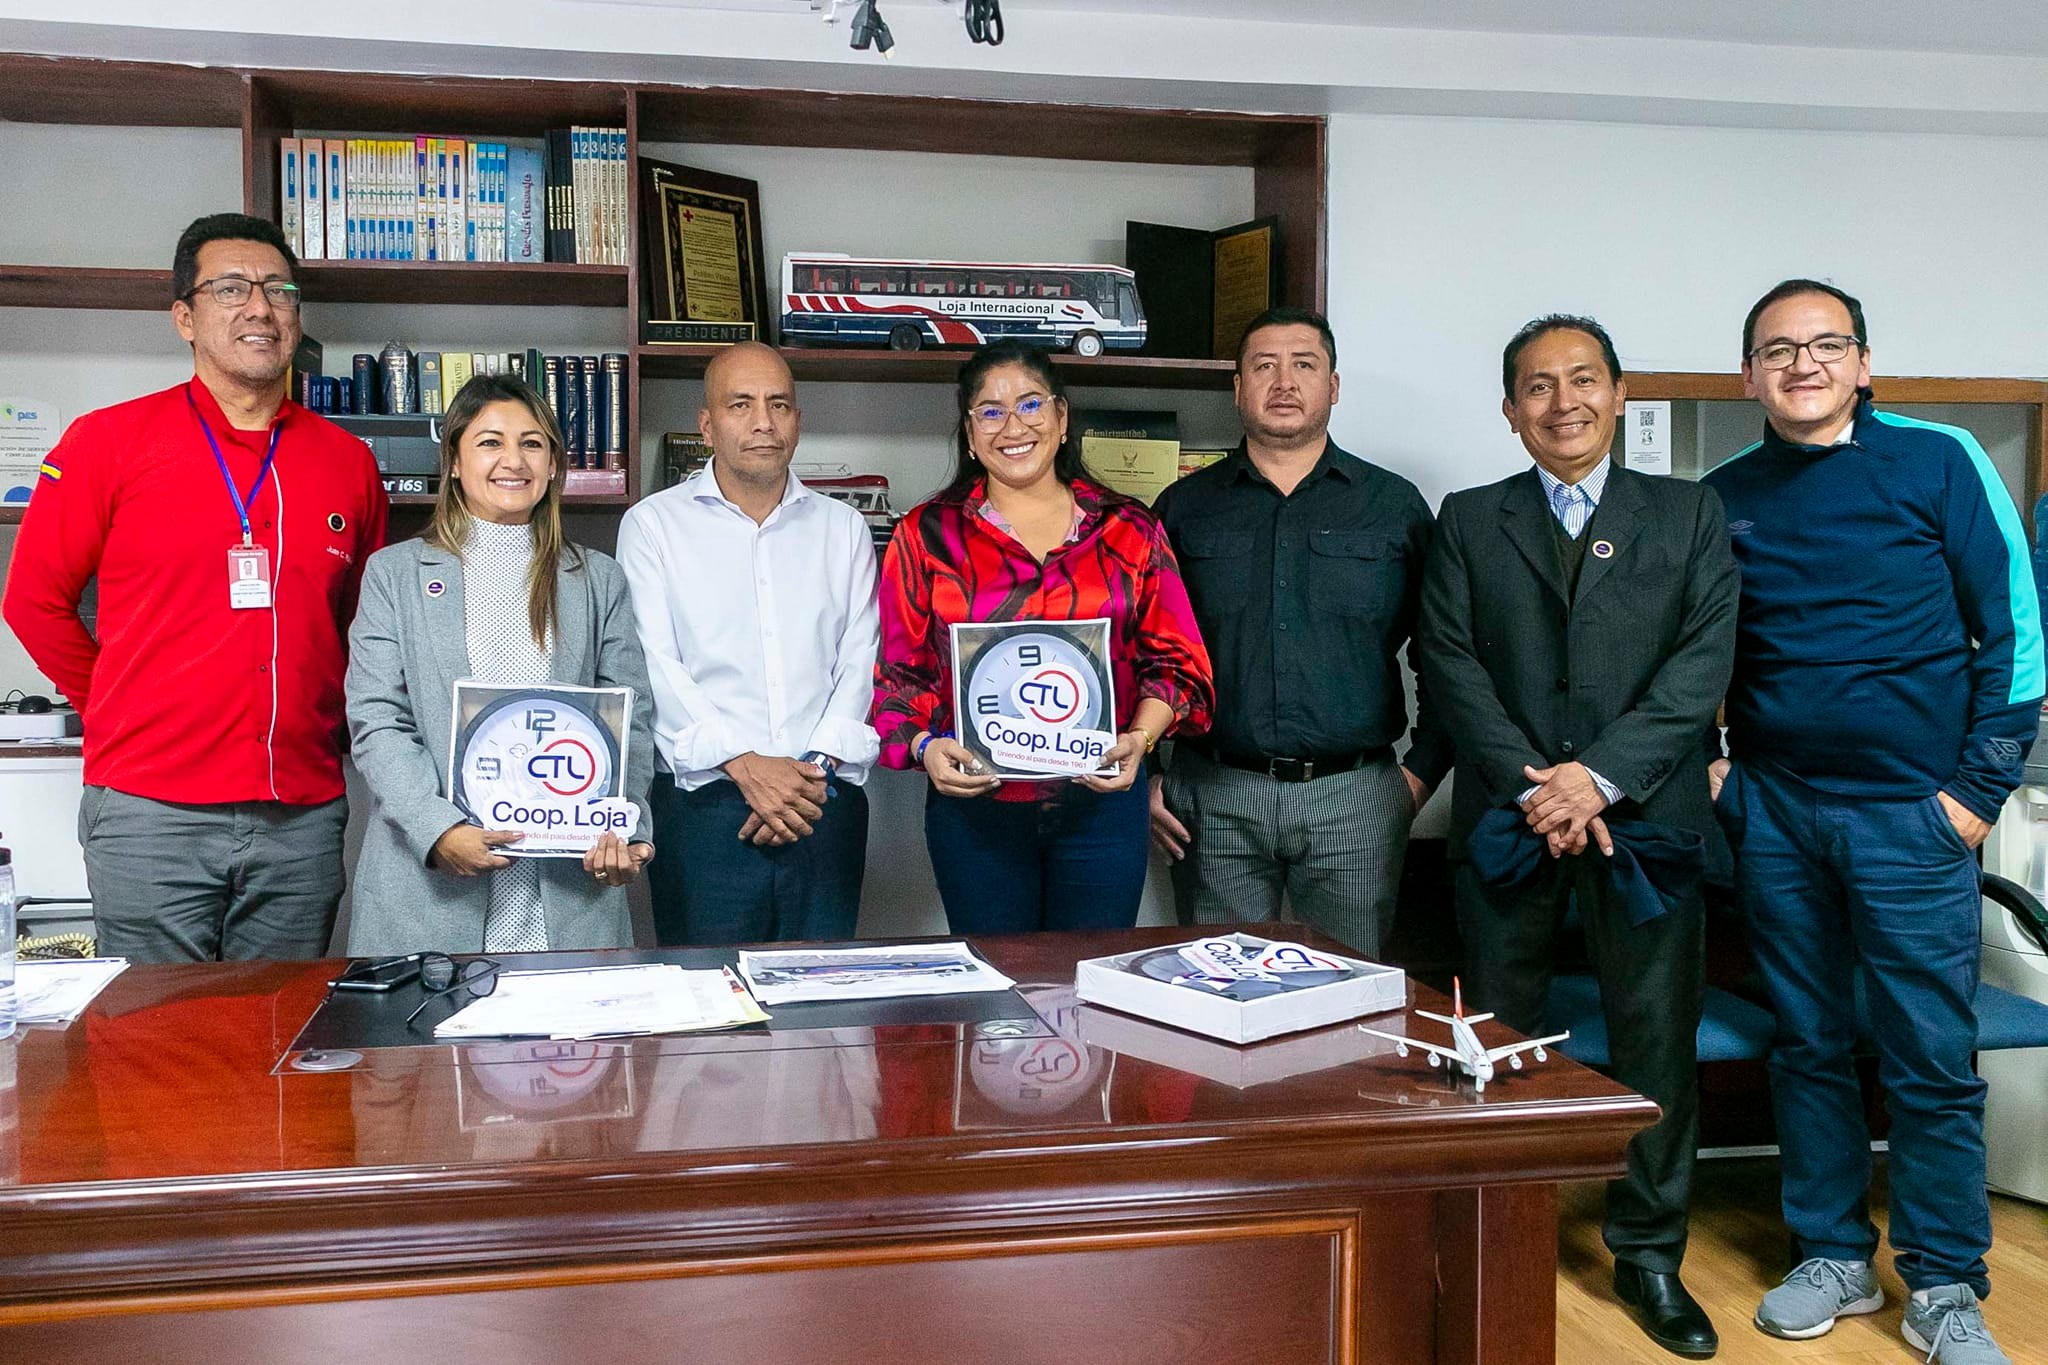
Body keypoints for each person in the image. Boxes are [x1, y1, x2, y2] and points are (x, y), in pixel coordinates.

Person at [1703, 280, 2042, 1365]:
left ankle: (1944, 1285)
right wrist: (1718, 775)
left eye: (1825, 345)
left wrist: (1973, 797)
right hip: (1775, 814)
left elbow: (2014, 633)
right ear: (1747, 374)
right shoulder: (1722, 494)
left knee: (1929, 1056)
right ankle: (1832, 1254)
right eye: (1777, 349)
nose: (1801, 364)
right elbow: (1689, 650)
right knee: (1806, 1045)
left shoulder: (1940, 461)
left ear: (1861, 363)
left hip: (1914, 819)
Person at [1420, 315, 1738, 1359]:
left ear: (1617, 392)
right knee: (1492, 1039)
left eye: (1584, 379)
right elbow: (1447, 662)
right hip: (1511, 819)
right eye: (1538, 386)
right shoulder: (1469, 519)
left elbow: (1702, 664)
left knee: (1656, 1042)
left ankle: (1648, 1255)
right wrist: (1541, 789)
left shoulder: (1689, 513)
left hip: (1645, 820)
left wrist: (1594, 780)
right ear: (1510, 412)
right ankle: (1497, 1236)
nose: (1564, 402)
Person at [2, 212, 388, 962]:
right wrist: (113, 703)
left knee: (279, 1027)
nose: (260, 308)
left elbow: (360, 627)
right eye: (232, 288)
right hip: (151, 813)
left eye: (279, 290)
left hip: (300, 816)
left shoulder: (347, 462)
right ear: (184, 317)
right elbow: (33, 603)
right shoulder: (107, 442)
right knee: (153, 1028)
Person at [872, 340, 1213, 932]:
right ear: (970, 434)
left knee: (1090, 976)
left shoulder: (1129, 529)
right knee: (996, 980)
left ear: (1061, 417)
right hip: (976, 812)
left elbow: (1177, 662)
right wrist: (926, 748)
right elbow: (898, 674)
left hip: (1103, 808)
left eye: (1030, 404)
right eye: (990, 411)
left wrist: (1140, 740)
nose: (1013, 426)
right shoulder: (925, 535)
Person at [1148, 307, 1449, 956]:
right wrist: (1144, 774)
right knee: (1220, 993)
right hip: (1213, 794)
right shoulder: (1183, 507)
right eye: (1264, 366)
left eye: (1304, 365)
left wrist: (1419, 776)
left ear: (1333, 386)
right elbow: (1140, 650)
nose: (1284, 382)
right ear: (1238, 389)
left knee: (1350, 994)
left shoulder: (1393, 506)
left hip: (1355, 796)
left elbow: (1443, 654)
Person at [345, 374, 654, 955]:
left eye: (532, 443)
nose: (513, 460)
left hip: (569, 886)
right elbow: (378, 718)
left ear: (553, 464)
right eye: (490, 442)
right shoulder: (394, 574)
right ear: (454, 462)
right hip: (432, 883)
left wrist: (625, 828)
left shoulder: (598, 578)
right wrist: (438, 829)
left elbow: (630, 720)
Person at [616, 342, 878, 946]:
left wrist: (809, 774)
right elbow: (655, 664)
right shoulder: (653, 525)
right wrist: (746, 766)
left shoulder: (843, 528)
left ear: (797, 421)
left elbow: (860, 657)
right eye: (741, 405)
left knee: (824, 992)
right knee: (708, 996)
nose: (763, 421)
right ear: (707, 425)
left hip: (821, 802)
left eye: (778, 404)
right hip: (705, 807)